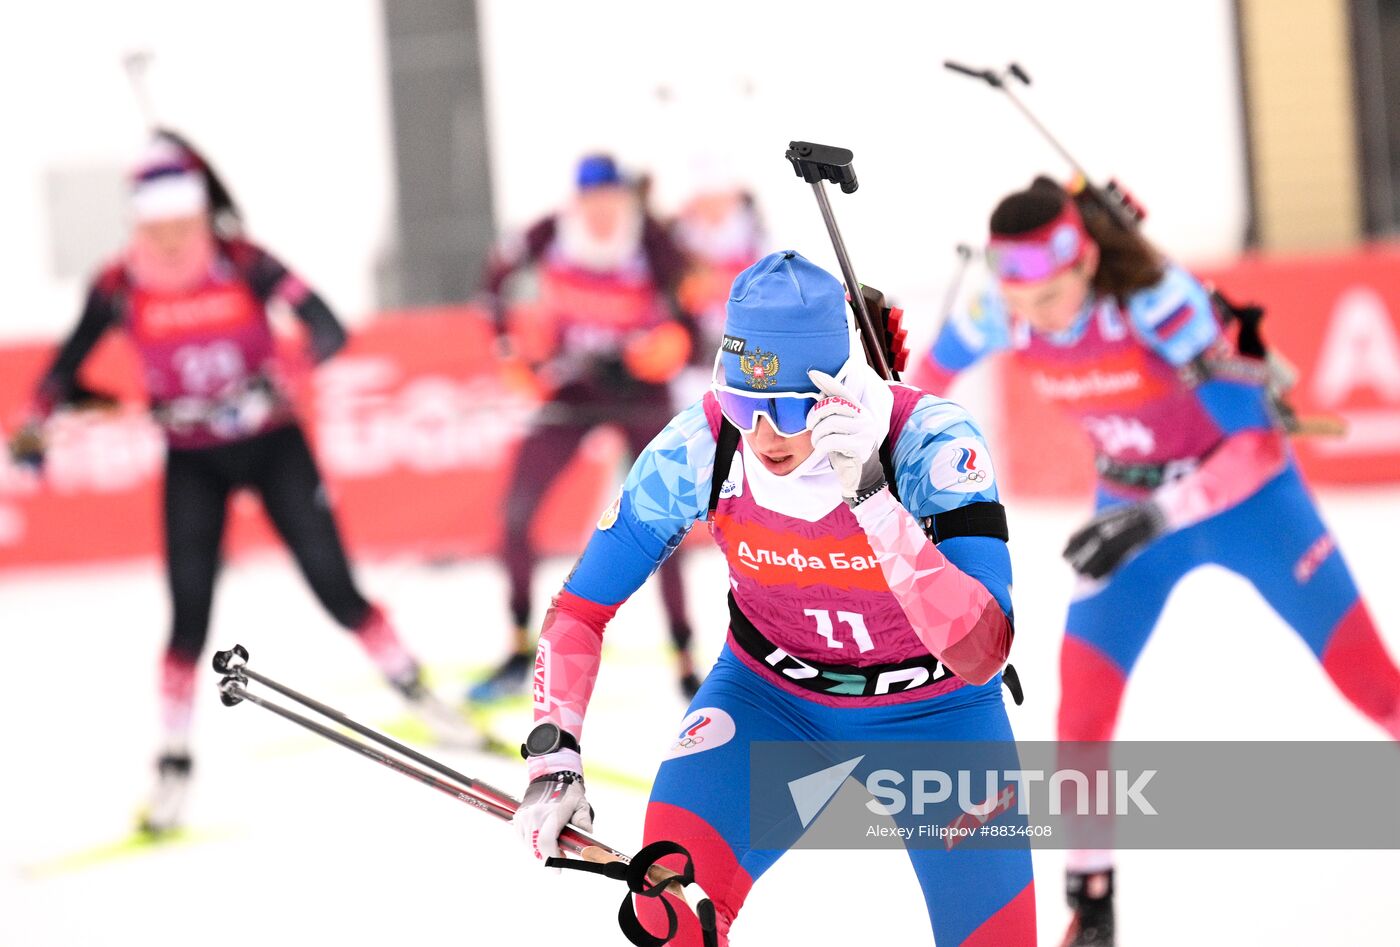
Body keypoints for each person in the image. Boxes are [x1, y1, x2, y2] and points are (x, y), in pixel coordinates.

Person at [911, 177, 1400, 946]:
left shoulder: (1157, 301)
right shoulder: (997, 309)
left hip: (1247, 505)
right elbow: (925, 387)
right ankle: (1094, 905)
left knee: (1374, 687)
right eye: (1021, 297)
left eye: (1052, 294)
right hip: (1130, 508)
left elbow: (1254, 444)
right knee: (1080, 712)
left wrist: (1157, 515)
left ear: (1086, 263)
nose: (1036, 315)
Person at [511, 251, 1035, 945]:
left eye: (787, 408)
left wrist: (877, 504)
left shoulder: (930, 444)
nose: (761, 435)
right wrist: (553, 756)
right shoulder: (700, 446)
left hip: (935, 716)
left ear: (836, 389)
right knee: (669, 910)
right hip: (771, 705)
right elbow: (580, 608)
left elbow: (982, 650)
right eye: (742, 402)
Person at [10, 132, 474, 835]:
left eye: (181, 224)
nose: (168, 240)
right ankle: (172, 764)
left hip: (272, 445)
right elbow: (61, 371)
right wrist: (38, 425)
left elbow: (328, 329)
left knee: (335, 587)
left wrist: (276, 381)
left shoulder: (240, 261)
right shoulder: (119, 282)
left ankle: (424, 696)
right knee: (187, 614)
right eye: (154, 226)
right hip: (192, 456)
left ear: (201, 217)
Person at [474, 153, 701, 702]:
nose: (602, 215)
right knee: (516, 512)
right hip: (574, 386)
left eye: (611, 204)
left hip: (638, 389)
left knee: (664, 522)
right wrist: (510, 354)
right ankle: (517, 646)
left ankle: (685, 658)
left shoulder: (650, 241)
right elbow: (492, 285)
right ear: (577, 203)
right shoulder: (550, 233)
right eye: (592, 204)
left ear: (624, 201)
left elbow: (693, 322)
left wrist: (672, 344)